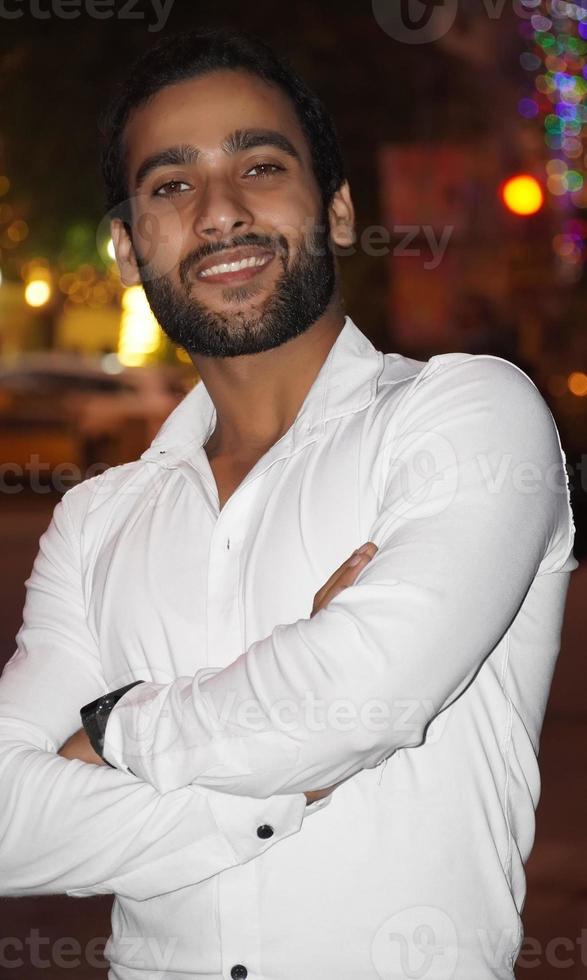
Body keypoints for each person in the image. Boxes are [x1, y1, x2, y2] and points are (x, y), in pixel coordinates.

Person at [0, 28, 578, 980]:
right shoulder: (96, 520)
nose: (221, 210)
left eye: (259, 165)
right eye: (171, 184)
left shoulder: (462, 413)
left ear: (339, 211)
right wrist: (276, 784)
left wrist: (111, 731)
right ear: (127, 248)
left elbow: (363, 698)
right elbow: (12, 826)